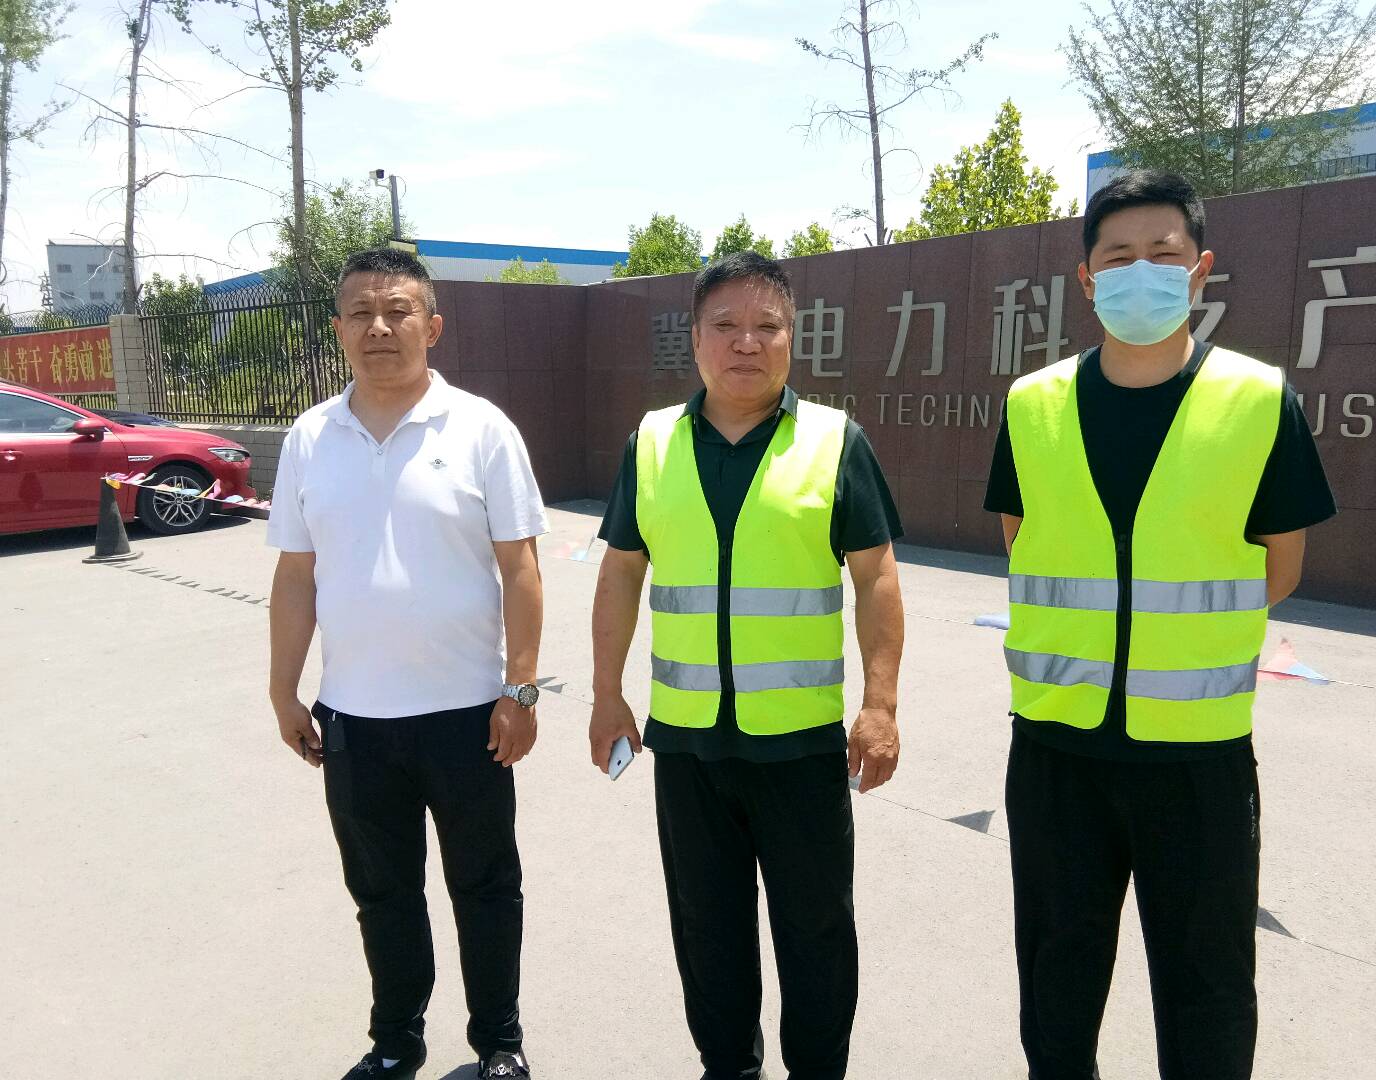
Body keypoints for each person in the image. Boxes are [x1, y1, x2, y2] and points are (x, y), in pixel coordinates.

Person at [985, 170, 1336, 1079]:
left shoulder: (1259, 400)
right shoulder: (1033, 404)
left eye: (1163, 254)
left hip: (1197, 759)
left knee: (1207, 993)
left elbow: (1280, 567)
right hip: (1057, 750)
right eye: (1118, 257)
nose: (1141, 272)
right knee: (1055, 992)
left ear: (1200, 269)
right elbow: (1024, 540)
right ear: (1087, 279)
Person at [589, 251, 905, 1080]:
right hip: (687, 744)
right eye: (725, 325)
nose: (746, 343)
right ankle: (726, 1068)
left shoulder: (835, 442)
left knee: (817, 933)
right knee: (707, 931)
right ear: (693, 338)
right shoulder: (652, 443)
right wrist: (605, 694)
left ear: (793, 338)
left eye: (767, 326)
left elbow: (875, 578)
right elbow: (621, 573)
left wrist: (880, 705)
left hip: (799, 746)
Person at [267, 248, 547, 1080]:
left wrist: (521, 688)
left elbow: (521, 568)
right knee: (382, 895)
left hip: (469, 716)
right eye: (361, 312)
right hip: (354, 720)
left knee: (486, 887)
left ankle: (499, 1042)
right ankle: (396, 1042)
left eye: (397, 310)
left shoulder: (482, 429)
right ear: (338, 329)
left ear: (433, 325)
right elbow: (295, 574)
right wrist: (283, 690)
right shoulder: (311, 437)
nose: (379, 327)